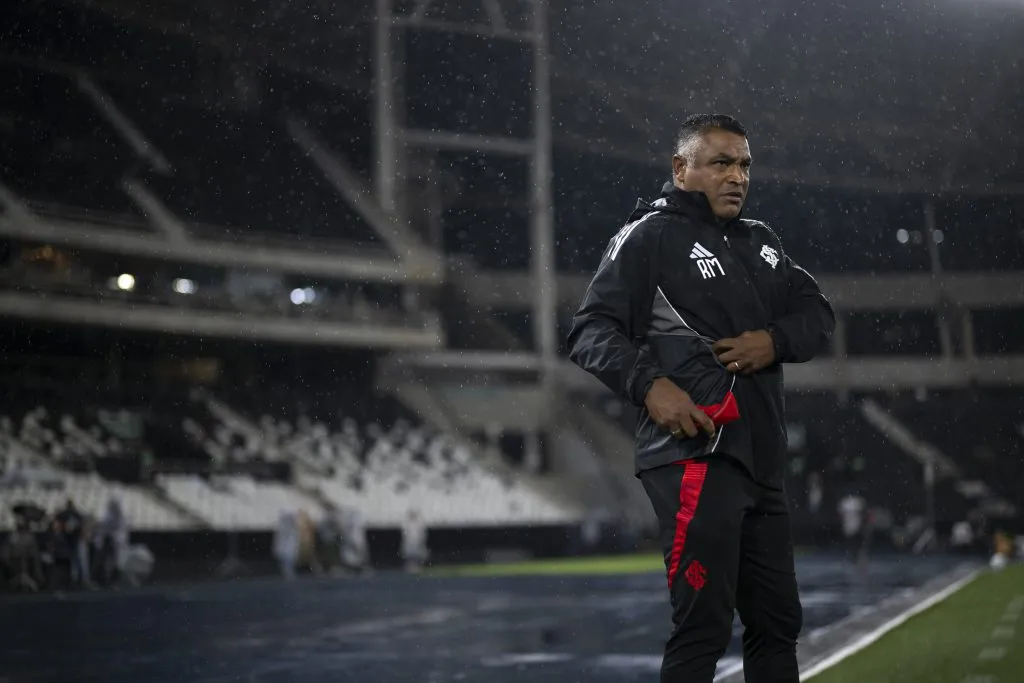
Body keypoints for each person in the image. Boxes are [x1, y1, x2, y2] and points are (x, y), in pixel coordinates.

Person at [567, 113, 835, 683]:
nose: (736, 176)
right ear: (680, 168)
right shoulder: (649, 236)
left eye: (743, 165)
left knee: (778, 624)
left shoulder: (761, 242)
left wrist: (775, 340)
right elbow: (590, 330)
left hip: (762, 463)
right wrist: (649, 386)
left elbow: (818, 314)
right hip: (694, 455)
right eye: (720, 163)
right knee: (703, 629)